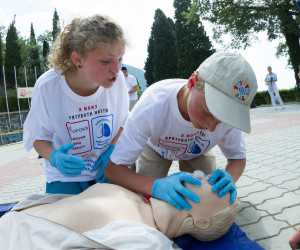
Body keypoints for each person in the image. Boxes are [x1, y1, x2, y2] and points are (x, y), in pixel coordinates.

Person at [105, 51, 258, 211]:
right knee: (146, 200)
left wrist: (230, 177)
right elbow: (113, 170)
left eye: (222, 120)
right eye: (209, 111)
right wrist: (154, 186)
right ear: (192, 82)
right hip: (156, 149)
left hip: (198, 151)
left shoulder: (229, 116)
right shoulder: (153, 104)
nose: (212, 127)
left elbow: (237, 159)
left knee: (209, 198)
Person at [23, 15, 129, 195]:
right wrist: (55, 157)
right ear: (77, 59)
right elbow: (38, 137)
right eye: (105, 61)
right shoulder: (49, 86)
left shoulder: (117, 82)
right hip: (64, 176)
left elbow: (122, 123)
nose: (116, 70)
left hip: (106, 169)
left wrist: (111, 150)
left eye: (119, 59)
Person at [0, 170, 238, 250]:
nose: (200, 174)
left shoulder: (147, 240)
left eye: (207, 182)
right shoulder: (138, 196)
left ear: (202, 222)